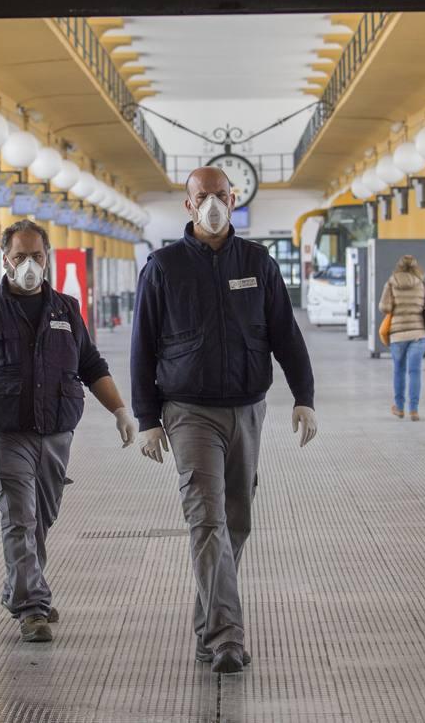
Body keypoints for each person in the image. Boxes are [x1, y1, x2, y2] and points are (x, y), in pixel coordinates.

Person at [0, 220, 137, 643]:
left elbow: (91, 365)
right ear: (5, 260)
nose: (29, 265)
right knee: (19, 515)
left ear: (47, 257)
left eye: (36, 256)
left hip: (54, 431)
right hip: (1, 432)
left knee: (40, 520)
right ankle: (32, 606)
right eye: (20, 258)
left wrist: (120, 410)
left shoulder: (67, 310)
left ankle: (19, 589)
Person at [131, 167, 318, 675]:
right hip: (188, 411)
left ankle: (208, 620)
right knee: (207, 520)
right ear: (187, 206)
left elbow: (285, 332)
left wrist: (305, 395)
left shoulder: (258, 262)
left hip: (247, 408)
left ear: (233, 200)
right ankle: (227, 637)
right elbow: (142, 345)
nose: (212, 204)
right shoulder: (164, 267)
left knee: (236, 521)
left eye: (220, 195)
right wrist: (147, 418)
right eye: (202, 196)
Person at [378, 254, 425, 422]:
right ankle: (414, 410)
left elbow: (384, 307)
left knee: (399, 370)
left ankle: (399, 408)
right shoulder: (421, 284)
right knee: (414, 372)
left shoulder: (391, 283)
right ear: (416, 267)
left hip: (398, 335)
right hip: (418, 335)